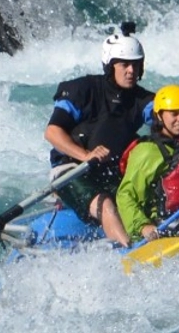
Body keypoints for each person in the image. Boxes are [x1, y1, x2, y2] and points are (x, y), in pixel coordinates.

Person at [44, 23, 155, 246]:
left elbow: (165, 117)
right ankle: (129, 252)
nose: (131, 71)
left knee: (139, 201)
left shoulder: (141, 99)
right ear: (110, 65)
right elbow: (52, 132)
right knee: (105, 204)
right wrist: (85, 155)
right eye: (124, 64)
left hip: (111, 173)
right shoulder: (84, 90)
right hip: (72, 170)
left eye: (136, 65)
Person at [114, 84, 179, 243]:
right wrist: (143, 227)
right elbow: (126, 195)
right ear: (159, 115)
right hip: (168, 224)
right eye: (174, 114)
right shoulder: (148, 151)